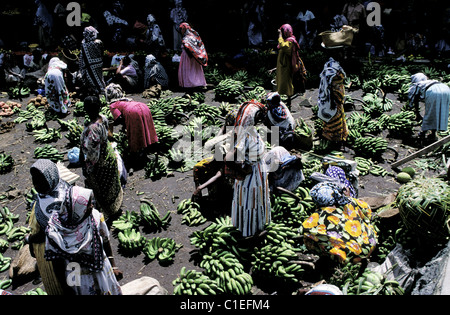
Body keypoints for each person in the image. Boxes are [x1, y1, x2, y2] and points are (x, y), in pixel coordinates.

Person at [44, 185, 123, 295]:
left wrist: (113, 266)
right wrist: (65, 288)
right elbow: (56, 263)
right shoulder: (55, 231)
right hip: (76, 276)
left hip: (100, 269)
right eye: (88, 204)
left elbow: (105, 241)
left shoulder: (95, 217)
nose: (91, 206)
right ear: (77, 209)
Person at [302, 181, 377, 265]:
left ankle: (331, 262)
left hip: (351, 257)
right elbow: (368, 211)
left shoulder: (315, 218)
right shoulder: (350, 202)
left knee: (308, 238)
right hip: (370, 244)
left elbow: (303, 229)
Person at [26, 159, 72, 295]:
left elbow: (48, 232)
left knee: (68, 286)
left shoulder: (56, 203)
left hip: (64, 255)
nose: (36, 184)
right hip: (51, 252)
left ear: (50, 178)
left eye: (41, 180)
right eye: (34, 179)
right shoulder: (53, 189)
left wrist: (30, 239)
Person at [225, 100, 270, 238]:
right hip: (251, 177)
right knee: (251, 203)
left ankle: (256, 228)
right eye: (257, 117)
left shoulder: (250, 130)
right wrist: (245, 170)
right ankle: (248, 233)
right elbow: (228, 159)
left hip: (258, 174)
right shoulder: (244, 135)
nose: (260, 119)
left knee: (256, 201)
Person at [79, 95, 123, 222]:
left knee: (102, 188)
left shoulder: (92, 129)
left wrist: (87, 167)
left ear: (86, 110)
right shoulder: (103, 118)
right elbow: (110, 133)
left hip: (101, 162)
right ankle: (115, 207)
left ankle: (108, 212)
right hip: (108, 154)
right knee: (111, 184)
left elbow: (93, 156)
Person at [105, 83, 159, 167]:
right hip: (144, 107)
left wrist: (114, 124)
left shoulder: (112, 105)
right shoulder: (126, 99)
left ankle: (138, 156)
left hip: (133, 111)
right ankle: (147, 151)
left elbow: (119, 118)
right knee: (145, 129)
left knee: (135, 133)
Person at [317, 41, 349, 149]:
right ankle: (335, 141)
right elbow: (329, 86)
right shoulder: (331, 68)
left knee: (336, 119)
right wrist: (334, 100)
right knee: (334, 121)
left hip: (334, 98)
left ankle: (336, 138)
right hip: (332, 100)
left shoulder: (332, 64)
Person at [408, 73, 450, 142]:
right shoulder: (430, 81)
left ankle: (423, 133)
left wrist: (417, 113)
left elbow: (414, 100)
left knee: (430, 112)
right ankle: (433, 134)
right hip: (446, 89)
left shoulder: (417, 85)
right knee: (440, 112)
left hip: (433, 91)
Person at [275, 24, 306, 106]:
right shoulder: (288, 40)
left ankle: (289, 99)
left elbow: (283, 47)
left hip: (287, 65)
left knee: (287, 82)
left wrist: (280, 35)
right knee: (283, 81)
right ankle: (286, 98)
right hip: (283, 65)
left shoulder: (290, 41)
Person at [178, 22, 208, 91]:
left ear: (185, 29)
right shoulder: (194, 37)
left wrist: (191, 55)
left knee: (189, 70)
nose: (181, 31)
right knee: (195, 70)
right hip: (194, 58)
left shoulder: (186, 39)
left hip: (188, 58)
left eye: (182, 29)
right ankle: (197, 83)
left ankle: (190, 84)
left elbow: (189, 49)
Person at [79, 26, 106, 96]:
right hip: (98, 63)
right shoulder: (98, 42)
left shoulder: (83, 44)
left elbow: (82, 57)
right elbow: (102, 52)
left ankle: (97, 93)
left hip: (88, 65)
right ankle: (102, 92)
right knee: (100, 79)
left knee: (92, 80)